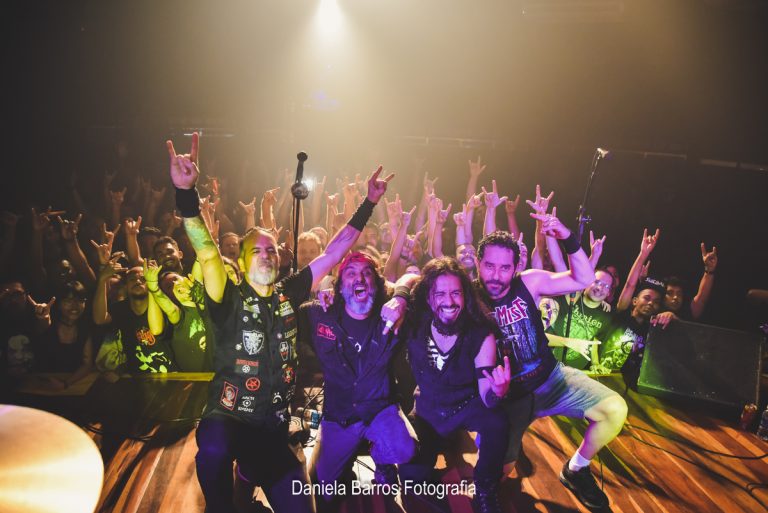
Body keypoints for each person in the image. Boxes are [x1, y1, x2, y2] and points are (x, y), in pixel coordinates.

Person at [168, 132, 393, 513]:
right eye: (256, 250)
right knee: (215, 447)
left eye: (272, 249)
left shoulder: (289, 292)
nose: (266, 254)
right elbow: (207, 253)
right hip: (229, 419)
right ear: (241, 262)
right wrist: (186, 194)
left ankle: (249, 476)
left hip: (272, 430)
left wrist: (369, 202)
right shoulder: (228, 295)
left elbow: (335, 250)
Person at [475, 222, 626, 510]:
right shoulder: (471, 297)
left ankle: (576, 469)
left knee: (615, 409)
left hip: (551, 379)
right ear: (478, 263)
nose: (496, 275)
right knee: (499, 476)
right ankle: (506, 450)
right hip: (510, 397)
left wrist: (567, 237)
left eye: (504, 268)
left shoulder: (529, 282)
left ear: (515, 267)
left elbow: (582, 279)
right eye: (489, 266)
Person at [298, 252, 417, 511]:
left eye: (367, 273)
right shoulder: (319, 314)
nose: (359, 278)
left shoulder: (393, 314)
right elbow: (287, 303)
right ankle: (342, 461)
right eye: (351, 273)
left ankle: (382, 461)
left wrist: (401, 296)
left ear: (377, 282)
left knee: (404, 448)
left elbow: (415, 274)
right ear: (340, 286)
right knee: (323, 486)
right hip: (339, 415)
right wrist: (322, 287)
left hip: (379, 409)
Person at [398, 257, 511, 513]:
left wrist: (498, 392)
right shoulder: (415, 323)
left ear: (466, 296)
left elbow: (486, 395)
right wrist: (400, 298)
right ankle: (439, 443)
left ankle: (485, 487)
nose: (448, 302)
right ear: (428, 298)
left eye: (455, 293)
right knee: (411, 479)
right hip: (427, 409)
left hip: (466, 407)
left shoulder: (481, 333)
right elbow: (405, 279)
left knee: (497, 421)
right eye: (440, 294)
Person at [663, 242, 718, 320]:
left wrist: (709, 269)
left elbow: (701, 299)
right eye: (670, 293)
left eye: (679, 294)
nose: (675, 297)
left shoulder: (687, 312)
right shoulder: (654, 307)